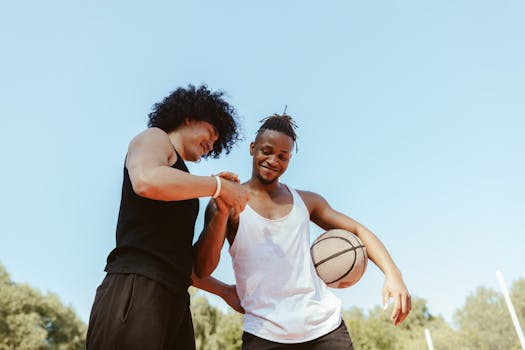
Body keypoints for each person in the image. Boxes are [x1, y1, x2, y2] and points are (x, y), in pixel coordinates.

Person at [193, 113, 412, 349]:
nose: (273, 160)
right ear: (252, 148)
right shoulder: (227, 202)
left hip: (325, 329)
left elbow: (357, 230)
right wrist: (225, 290)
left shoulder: (307, 202)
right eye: (266, 151)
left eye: (282, 156)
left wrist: (393, 274)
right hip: (264, 333)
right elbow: (201, 268)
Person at [86, 84, 249, 349]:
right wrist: (216, 185)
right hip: (137, 284)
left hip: (175, 299)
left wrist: (225, 291)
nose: (212, 144)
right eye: (211, 132)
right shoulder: (154, 138)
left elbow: (190, 266)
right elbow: (146, 179)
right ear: (190, 117)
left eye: (217, 142)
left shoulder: (186, 186)